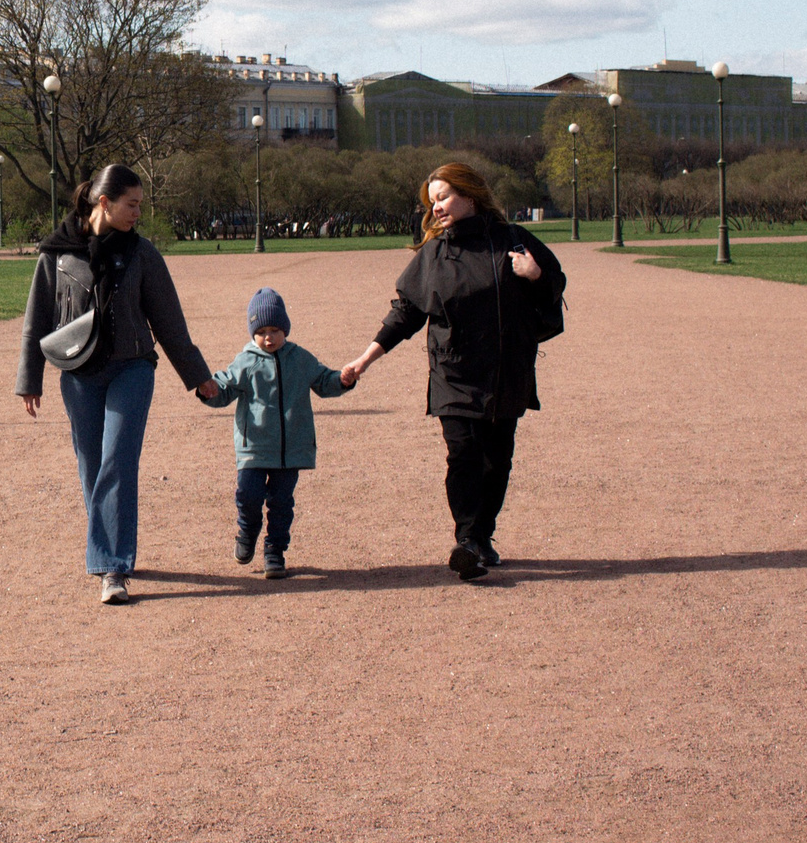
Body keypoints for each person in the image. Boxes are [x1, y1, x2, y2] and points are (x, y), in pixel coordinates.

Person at [341, 162, 565, 583]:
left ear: (470, 195)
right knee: (463, 454)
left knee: (497, 461)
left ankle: (481, 539)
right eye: (432, 200)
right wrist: (364, 359)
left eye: (442, 197)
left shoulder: (513, 240)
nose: (436, 207)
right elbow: (405, 313)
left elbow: (555, 284)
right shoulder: (434, 253)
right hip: (454, 371)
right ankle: (466, 541)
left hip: (504, 370)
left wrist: (534, 275)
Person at [18, 164, 218, 604]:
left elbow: (169, 323)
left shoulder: (142, 254)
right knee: (91, 465)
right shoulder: (56, 254)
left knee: (118, 461)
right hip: (79, 374)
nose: (137, 213)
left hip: (132, 369)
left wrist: (198, 376)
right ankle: (109, 542)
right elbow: (37, 322)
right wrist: (30, 379)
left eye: (140, 206)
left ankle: (112, 567)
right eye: (132, 204)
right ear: (104, 203)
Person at [196, 286, 348, 579]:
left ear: (285, 329)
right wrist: (208, 390)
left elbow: (324, 381)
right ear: (253, 333)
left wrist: (342, 379)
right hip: (254, 447)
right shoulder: (246, 361)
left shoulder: (300, 358)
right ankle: (248, 530)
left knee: (282, 503)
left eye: (276, 329)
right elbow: (224, 389)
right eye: (262, 330)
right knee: (248, 495)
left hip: (291, 450)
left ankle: (275, 551)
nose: (269, 337)